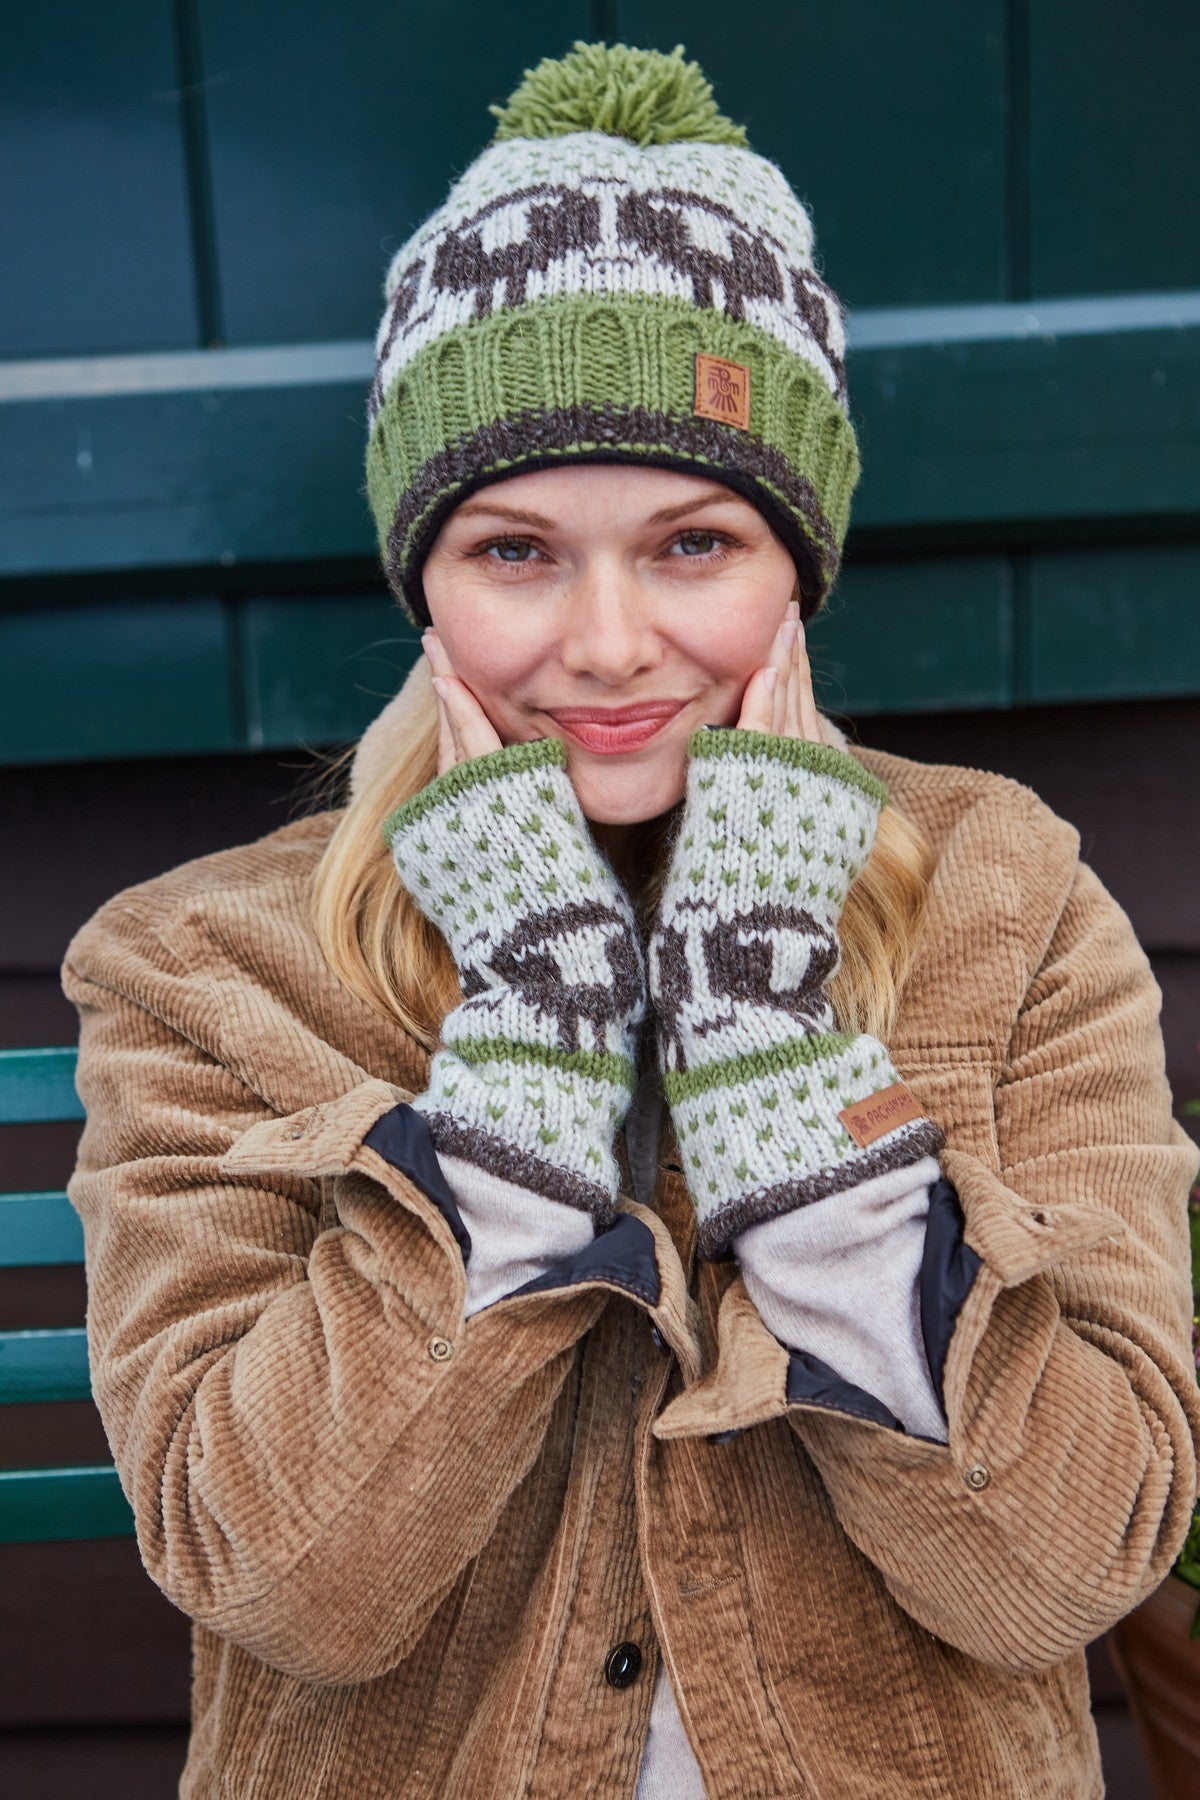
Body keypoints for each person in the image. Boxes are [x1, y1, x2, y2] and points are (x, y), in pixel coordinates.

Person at [63, 42, 1198, 1799]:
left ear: (794, 569)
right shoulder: (202, 967)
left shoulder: (1010, 894)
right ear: (421, 573)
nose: (604, 645)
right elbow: (285, 1583)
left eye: (692, 546)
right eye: (515, 551)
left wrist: (780, 1052)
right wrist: (526, 1044)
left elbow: (1062, 1562)